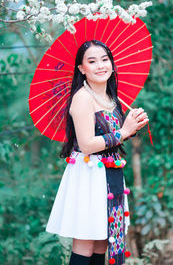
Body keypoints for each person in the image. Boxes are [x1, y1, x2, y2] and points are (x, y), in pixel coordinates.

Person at [45, 40, 149, 265]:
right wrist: (124, 131)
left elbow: (112, 138)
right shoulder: (82, 98)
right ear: (81, 68)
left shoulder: (112, 97)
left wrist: (132, 125)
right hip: (88, 175)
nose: (100, 65)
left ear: (111, 63)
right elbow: (87, 144)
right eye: (92, 61)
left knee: (104, 239)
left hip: (111, 176)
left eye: (104, 59)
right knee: (86, 242)